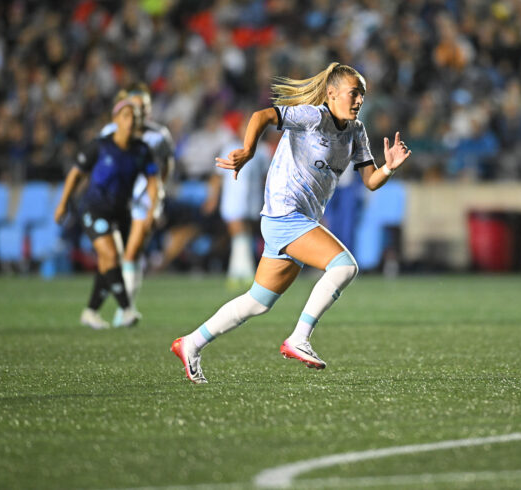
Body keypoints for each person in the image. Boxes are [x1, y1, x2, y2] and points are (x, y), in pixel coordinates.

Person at [170, 62, 412, 383]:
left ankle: (191, 343)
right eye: (353, 93)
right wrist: (248, 150)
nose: (358, 101)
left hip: (296, 220)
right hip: (285, 215)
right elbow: (262, 116)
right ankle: (299, 338)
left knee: (257, 302)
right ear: (331, 94)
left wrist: (389, 167)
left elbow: (369, 180)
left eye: (362, 96)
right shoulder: (312, 116)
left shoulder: (356, 132)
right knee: (344, 267)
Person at [55, 98, 159, 329]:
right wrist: (62, 204)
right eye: (126, 116)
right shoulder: (100, 146)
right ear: (115, 120)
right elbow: (75, 174)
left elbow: (153, 181)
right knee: (111, 255)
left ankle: (90, 312)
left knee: (107, 261)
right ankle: (126, 308)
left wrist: (152, 210)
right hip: (93, 208)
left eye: (135, 118)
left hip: (120, 212)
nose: (130, 122)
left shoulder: (141, 150)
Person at [99, 84, 175, 326]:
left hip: (144, 198)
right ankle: (125, 304)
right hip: (116, 198)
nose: (142, 112)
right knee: (119, 254)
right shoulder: (109, 132)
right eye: (137, 106)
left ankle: (125, 308)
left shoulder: (158, 135)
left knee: (131, 252)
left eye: (145, 107)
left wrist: (159, 194)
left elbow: (167, 164)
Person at [204, 130, 272, 289]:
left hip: (253, 198)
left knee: (245, 234)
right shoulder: (230, 148)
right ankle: (244, 272)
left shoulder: (262, 151)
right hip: (232, 197)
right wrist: (212, 198)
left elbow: (266, 177)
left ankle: (236, 272)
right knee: (237, 231)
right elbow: (218, 175)